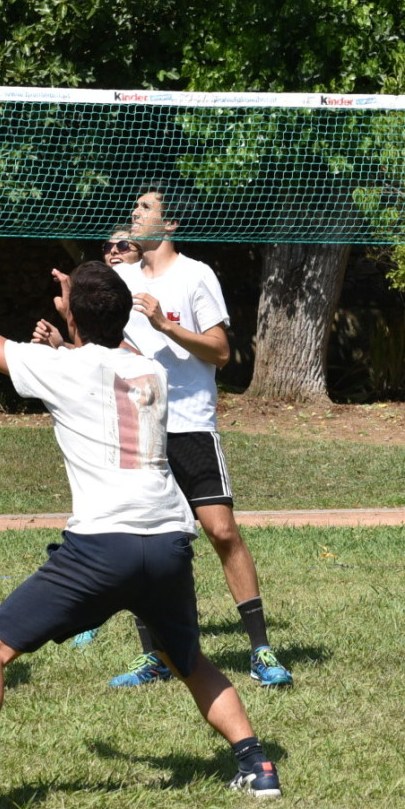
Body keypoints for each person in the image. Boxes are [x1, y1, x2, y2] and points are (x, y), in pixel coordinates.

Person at [0, 230, 281, 809]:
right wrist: (84, 303)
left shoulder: (62, 369)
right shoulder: (150, 372)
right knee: (193, 662)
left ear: (74, 317)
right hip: (167, 543)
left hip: (100, 548)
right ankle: (257, 764)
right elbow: (109, 333)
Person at [85, 190, 291, 690]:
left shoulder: (196, 275)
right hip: (143, 428)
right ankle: (153, 656)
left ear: (169, 222)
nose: (135, 216)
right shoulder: (122, 278)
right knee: (143, 543)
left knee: (222, 532)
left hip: (192, 426)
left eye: (145, 210)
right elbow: (111, 343)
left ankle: (261, 650)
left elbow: (220, 351)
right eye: (133, 209)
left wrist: (164, 324)